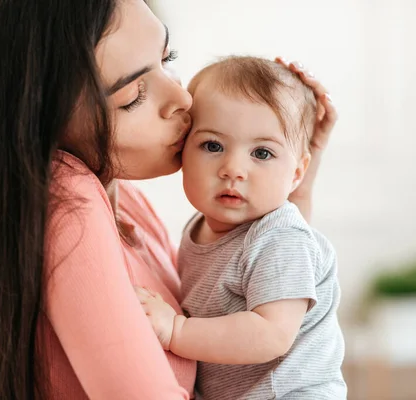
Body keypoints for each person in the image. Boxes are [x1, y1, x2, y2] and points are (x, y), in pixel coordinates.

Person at [0, 0, 337, 398]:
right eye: (132, 96)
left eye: (167, 59)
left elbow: (271, 253)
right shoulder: (71, 197)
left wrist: (294, 172)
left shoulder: (131, 204)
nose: (184, 99)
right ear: (41, 119)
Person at [135, 56, 346, 400]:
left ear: (296, 172)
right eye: (213, 145)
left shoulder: (281, 237)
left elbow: (271, 334)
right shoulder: (207, 225)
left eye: (262, 153)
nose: (233, 169)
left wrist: (176, 330)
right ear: (182, 149)